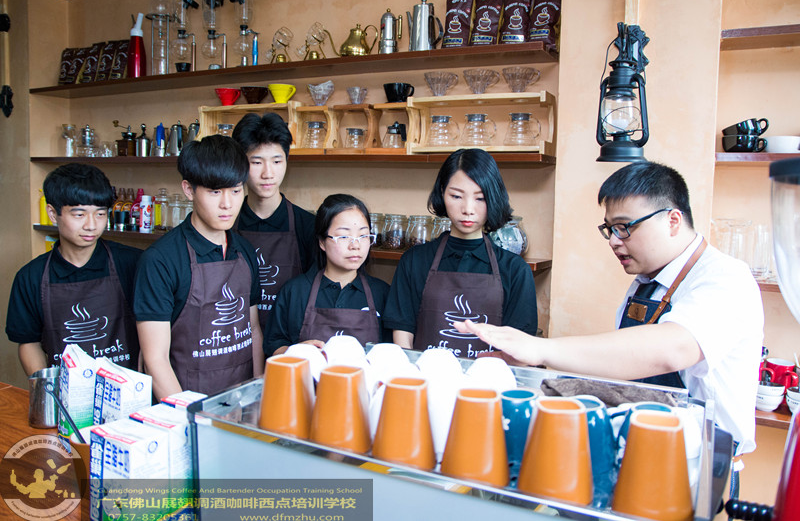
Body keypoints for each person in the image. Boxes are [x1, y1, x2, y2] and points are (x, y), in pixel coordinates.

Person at [455, 161, 764, 455]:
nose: (614, 241)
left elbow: (674, 348)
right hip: (645, 445)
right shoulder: (647, 282)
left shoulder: (725, 278)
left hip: (700, 462)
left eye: (624, 227)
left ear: (672, 221)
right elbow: (628, 367)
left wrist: (540, 349)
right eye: (610, 229)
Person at [133, 135, 264, 399]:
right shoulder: (160, 260)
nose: (227, 204)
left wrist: (259, 394)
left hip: (241, 402)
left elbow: (253, 329)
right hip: (184, 406)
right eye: (215, 192)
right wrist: (188, 417)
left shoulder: (245, 251)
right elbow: (155, 360)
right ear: (189, 189)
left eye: (236, 190)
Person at [383, 148, 538, 358]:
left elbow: (520, 347)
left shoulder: (515, 270)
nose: (468, 209)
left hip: (490, 378)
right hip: (425, 375)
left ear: (493, 199)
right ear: (442, 193)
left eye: (480, 198)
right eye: (456, 196)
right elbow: (403, 333)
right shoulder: (414, 261)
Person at [6, 163, 141, 374]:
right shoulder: (30, 277)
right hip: (64, 389)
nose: (91, 225)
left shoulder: (133, 263)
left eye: (100, 214)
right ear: (53, 214)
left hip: (127, 387)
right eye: (79, 214)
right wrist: (47, 387)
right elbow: (28, 342)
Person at [265, 194, 391, 356]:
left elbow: (392, 353)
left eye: (363, 236)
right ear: (322, 242)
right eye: (344, 236)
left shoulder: (382, 293)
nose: (355, 245)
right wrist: (296, 351)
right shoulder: (295, 291)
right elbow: (273, 345)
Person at [231, 113, 316, 335]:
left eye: (277, 161)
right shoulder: (225, 225)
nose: (268, 173)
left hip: (291, 342)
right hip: (234, 339)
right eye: (256, 162)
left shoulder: (309, 227)